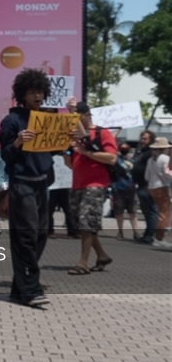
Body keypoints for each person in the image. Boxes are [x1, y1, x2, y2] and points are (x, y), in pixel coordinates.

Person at [0, 68, 52, 307]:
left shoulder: (48, 119)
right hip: (22, 185)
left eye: (40, 91)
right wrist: (18, 142)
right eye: (32, 92)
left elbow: (58, 149)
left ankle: (18, 289)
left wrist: (68, 136)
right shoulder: (12, 121)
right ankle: (31, 289)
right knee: (26, 236)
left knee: (40, 235)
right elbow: (5, 155)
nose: (37, 96)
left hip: (42, 184)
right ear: (22, 94)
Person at [63, 101, 115, 275]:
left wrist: (86, 152)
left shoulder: (101, 133)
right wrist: (67, 152)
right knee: (83, 224)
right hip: (78, 184)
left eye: (76, 117)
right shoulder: (75, 137)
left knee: (86, 222)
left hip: (96, 185)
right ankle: (102, 255)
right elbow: (72, 165)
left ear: (86, 115)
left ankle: (83, 263)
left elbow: (111, 158)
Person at [144, 137, 172, 249]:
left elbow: (147, 176)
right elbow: (168, 174)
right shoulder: (165, 158)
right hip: (161, 187)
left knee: (160, 212)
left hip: (151, 186)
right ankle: (159, 237)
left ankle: (158, 236)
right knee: (164, 213)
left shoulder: (151, 159)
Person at [132, 130, 158, 244]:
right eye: (142, 138)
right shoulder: (141, 152)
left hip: (147, 185)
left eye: (145, 139)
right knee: (146, 211)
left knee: (151, 211)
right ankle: (147, 233)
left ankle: (150, 235)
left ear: (151, 140)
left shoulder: (150, 153)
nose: (142, 141)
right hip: (141, 185)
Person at [111, 142, 139, 240]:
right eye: (122, 148)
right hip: (118, 188)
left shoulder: (133, 160)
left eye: (126, 148)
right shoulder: (117, 160)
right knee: (119, 212)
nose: (124, 149)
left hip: (131, 189)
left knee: (133, 211)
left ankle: (136, 232)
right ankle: (120, 231)